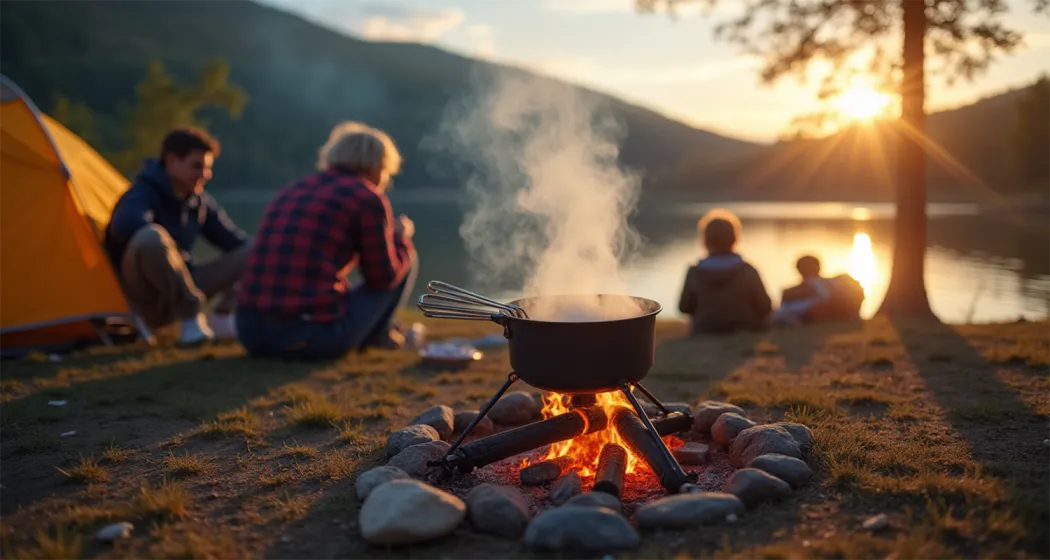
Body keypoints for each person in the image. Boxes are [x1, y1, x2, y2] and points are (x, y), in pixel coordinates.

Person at [234, 121, 417, 360]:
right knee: (405, 257)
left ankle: (378, 333)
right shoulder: (368, 198)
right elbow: (383, 278)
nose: (386, 182)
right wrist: (400, 239)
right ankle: (377, 335)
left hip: (250, 333)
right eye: (386, 173)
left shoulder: (294, 189)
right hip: (306, 337)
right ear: (377, 167)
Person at [103, 127, 250, 346]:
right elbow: (125, 225)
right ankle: (190, 317)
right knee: (150, 237)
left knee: (258, 248)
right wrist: (175, 253)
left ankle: (223, 316)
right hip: (148, 297)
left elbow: (233, 242)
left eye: (208, 168)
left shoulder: (199, 201)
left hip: (188, 283)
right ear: (172, 161)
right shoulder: (141, 193)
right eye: (197, 166)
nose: (205, 175)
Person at [677, 209, 772, 334]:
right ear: (735, 239)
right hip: (746, 329)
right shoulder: (748, 271)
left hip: (704, 330)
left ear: (705, 241)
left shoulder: (694, 273)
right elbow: (765, 306)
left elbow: (684, 307)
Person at [774, 255, 863, 326]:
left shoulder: (800, 289)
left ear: (798, 270)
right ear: (819, 267)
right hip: (841, 311)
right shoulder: (837, 281)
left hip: (825, 310)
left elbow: (825, 297)